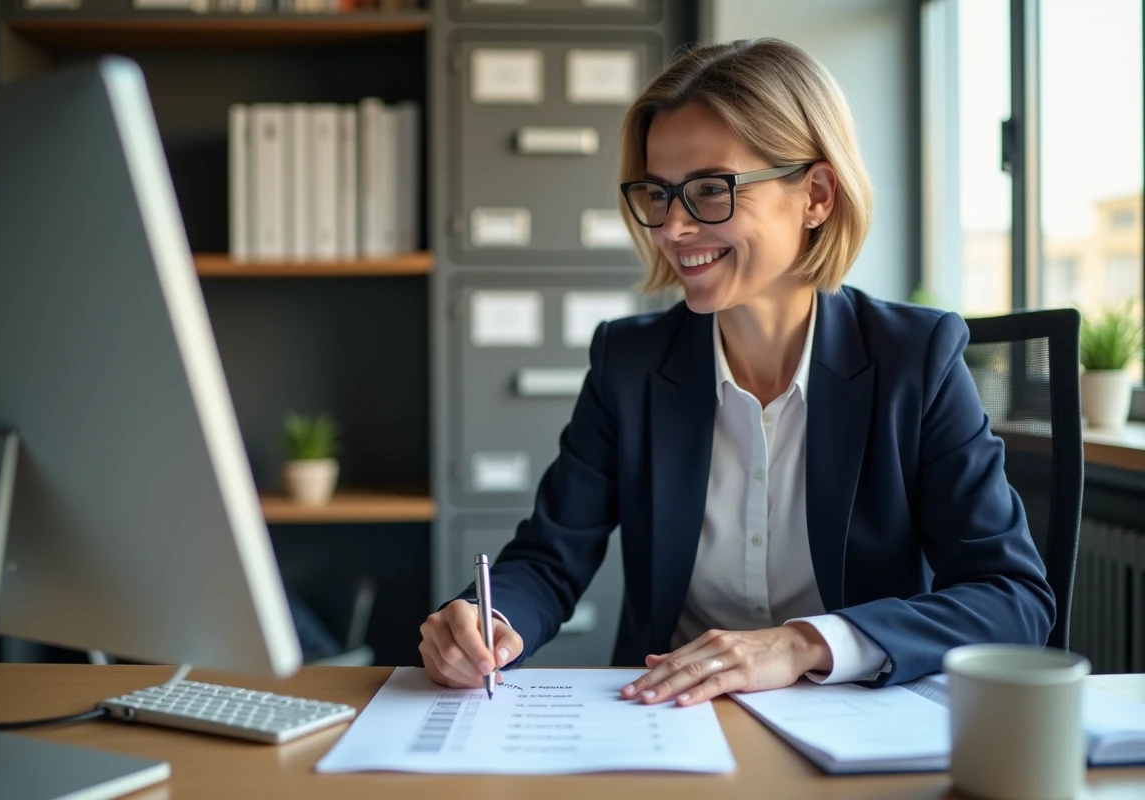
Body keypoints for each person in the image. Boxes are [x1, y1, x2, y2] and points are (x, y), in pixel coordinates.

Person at [417, 37, 1054, 706]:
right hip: (671, 719)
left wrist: (803, 642)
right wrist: (489, 620)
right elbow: (549, 558)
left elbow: (1011, 597)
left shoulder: (914, 358)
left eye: (711, 191)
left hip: (854, 723)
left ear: (815, 194)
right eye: (658, 196)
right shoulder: (629, 364)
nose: (674, 228)